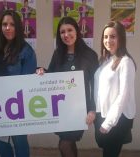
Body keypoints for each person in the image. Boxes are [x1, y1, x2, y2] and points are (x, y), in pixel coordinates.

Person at [36, 16, 98, 157]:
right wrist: (41, 71)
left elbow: (95, 86)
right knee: (66, 143)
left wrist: (93, 110)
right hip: (62, 108)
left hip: (80, 109)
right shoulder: (58, 54)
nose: (66, 35)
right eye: (62, 32)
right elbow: (51, 76)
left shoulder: (90, 55)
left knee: (65, 143)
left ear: (77, 31)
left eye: (69, 30)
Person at [0, 10, 37, 157]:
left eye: (12, 24)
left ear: (18, 27)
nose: (8, 28)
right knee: (1, 142)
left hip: (17, 105)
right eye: (4, 24)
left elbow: (27, 81)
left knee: (20, 141)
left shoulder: (27, 51)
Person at [93, 21, 137, 157]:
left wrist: (109, 123)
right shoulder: (105, 61)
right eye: (105, 37)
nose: (108, 40)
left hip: (117, 119)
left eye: (113, 36)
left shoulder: (125, 62)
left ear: (121, 39)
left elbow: (123, 95)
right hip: (103, 114)